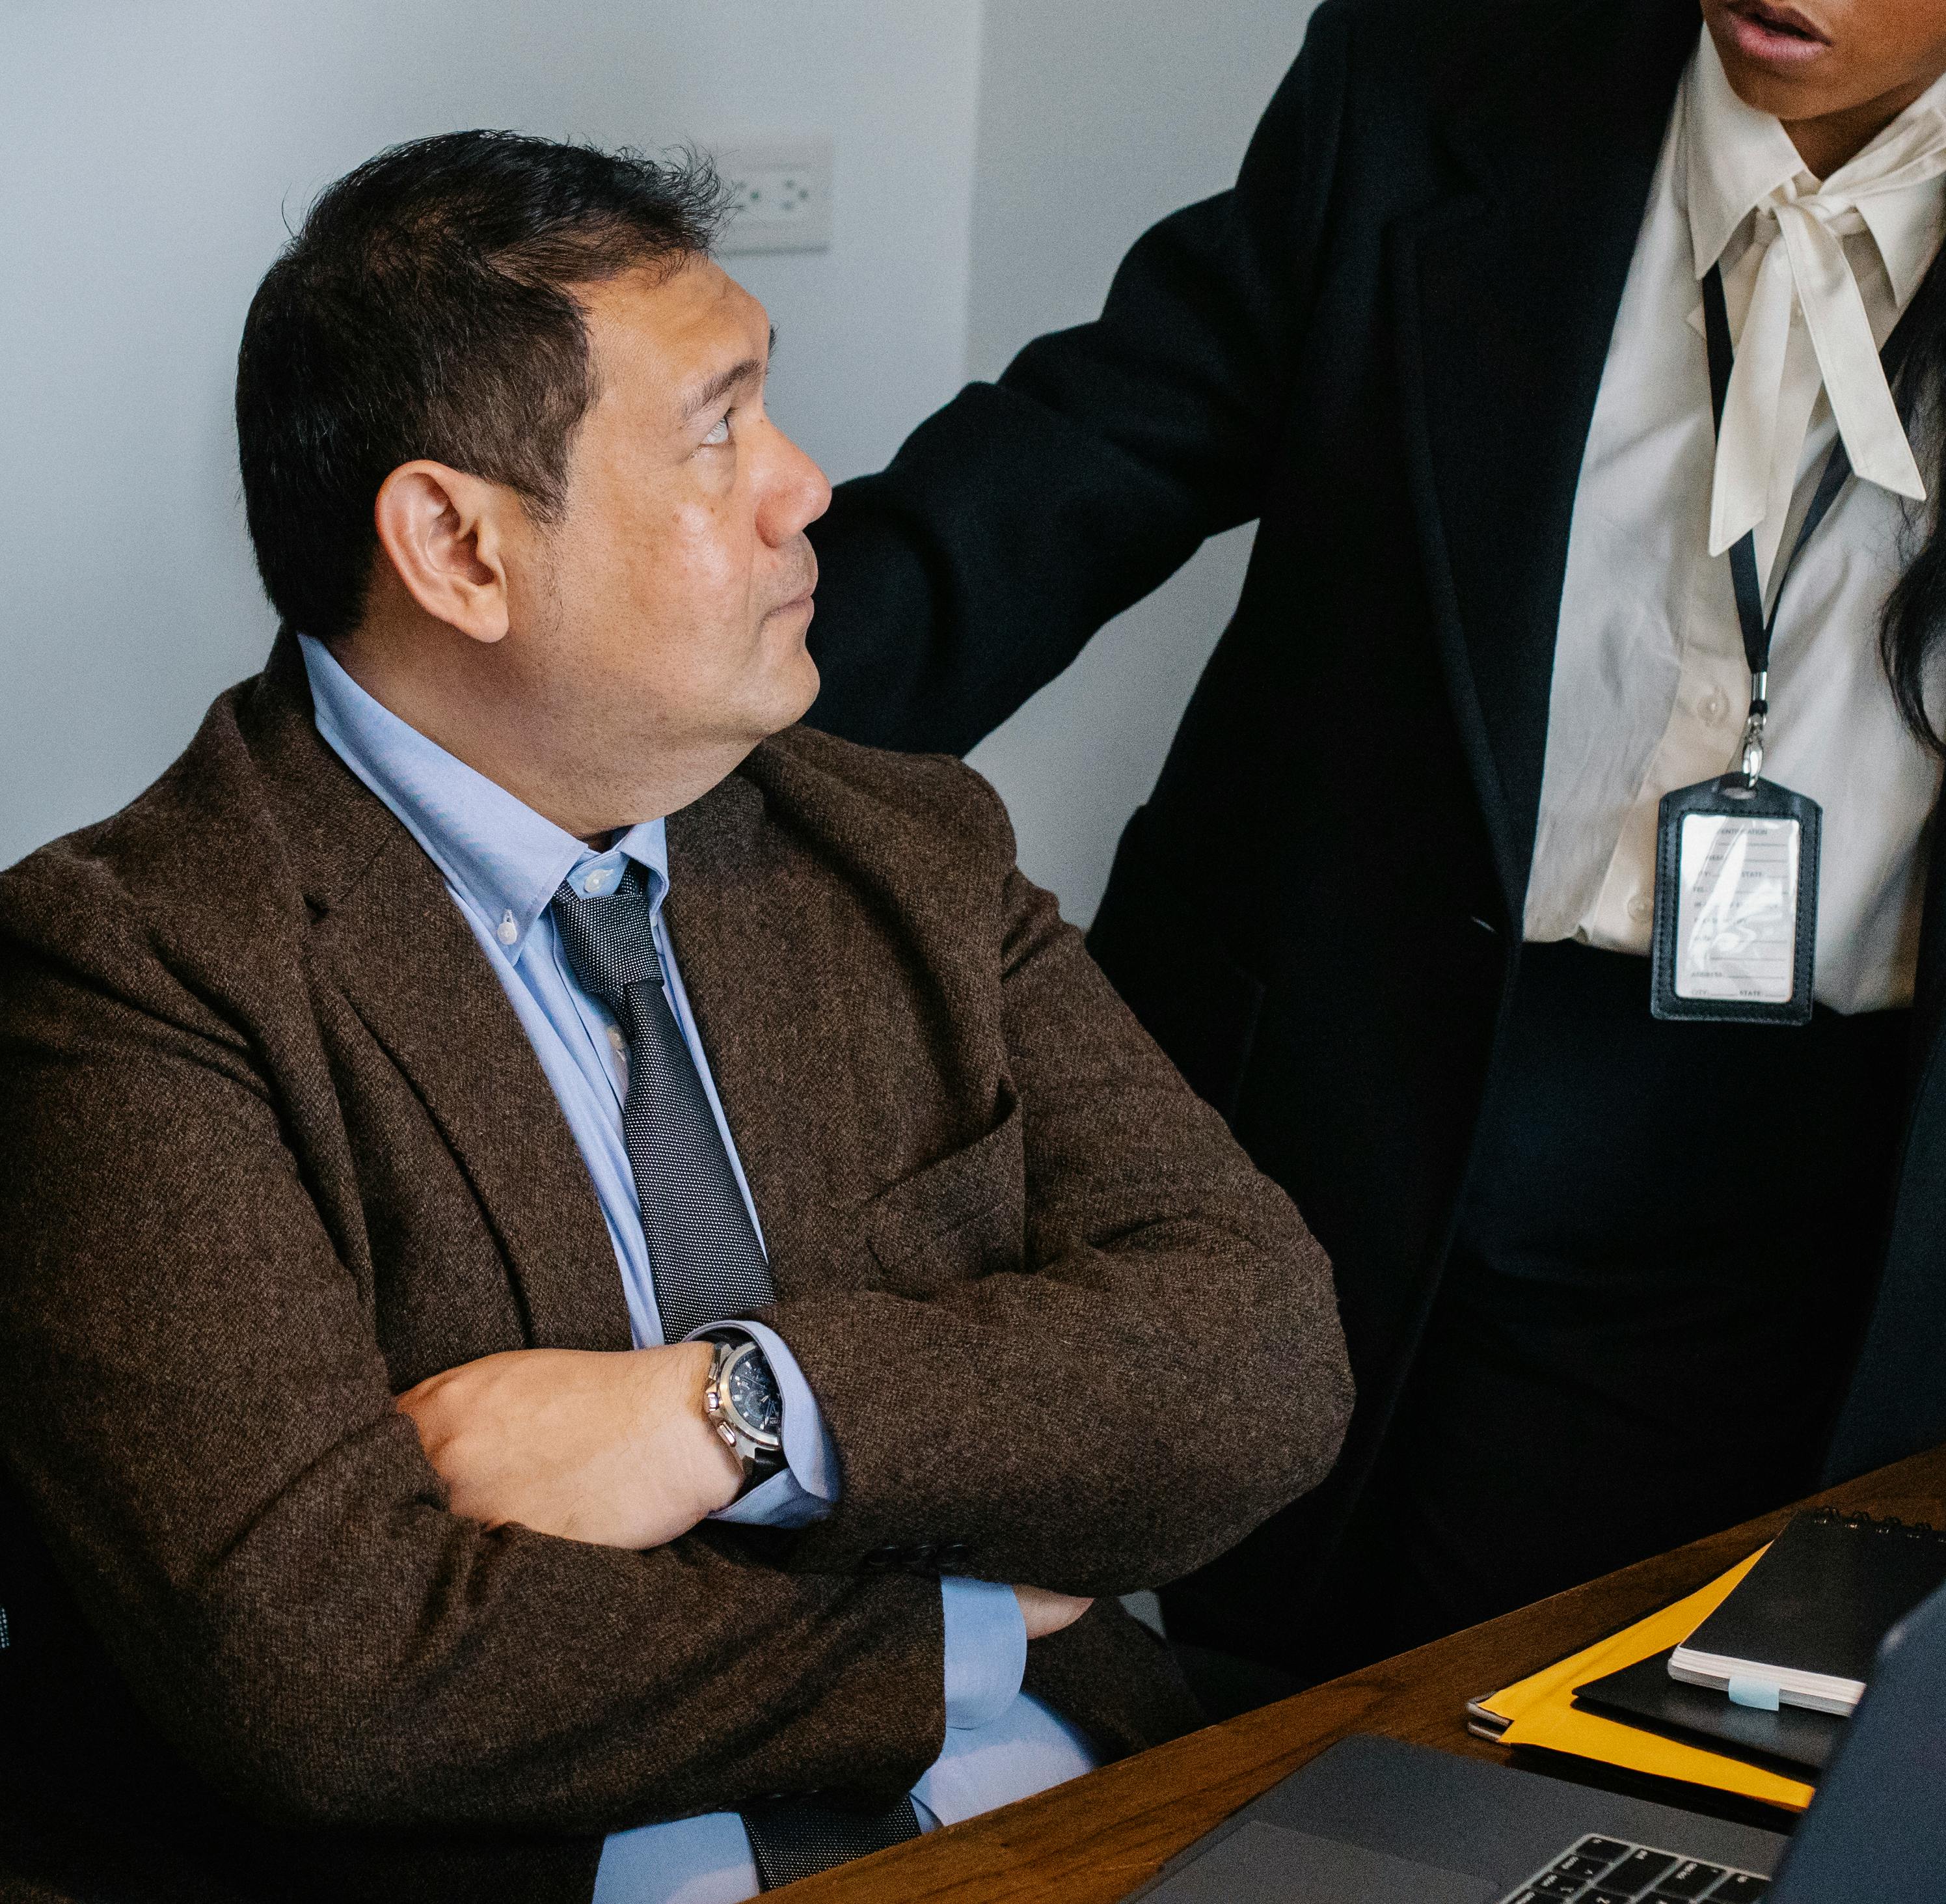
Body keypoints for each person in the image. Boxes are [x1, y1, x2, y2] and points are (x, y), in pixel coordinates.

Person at [800, 0, 1946, 1689]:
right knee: (1256, 1691)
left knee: (1643, 1740)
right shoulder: (1436, 78)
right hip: (1332, 1096)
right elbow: (1070, 470)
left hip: (1804, 1202)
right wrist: (678, 725)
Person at [0, 133, 1351, 1904]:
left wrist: (731, 1414)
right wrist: (950, 1618)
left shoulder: (905, 842)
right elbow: (342, 1680)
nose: (803, 490)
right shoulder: (130, 969)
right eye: (718, 432)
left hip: (1073, 1819)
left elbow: (1257, 1359)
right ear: (457, 549)